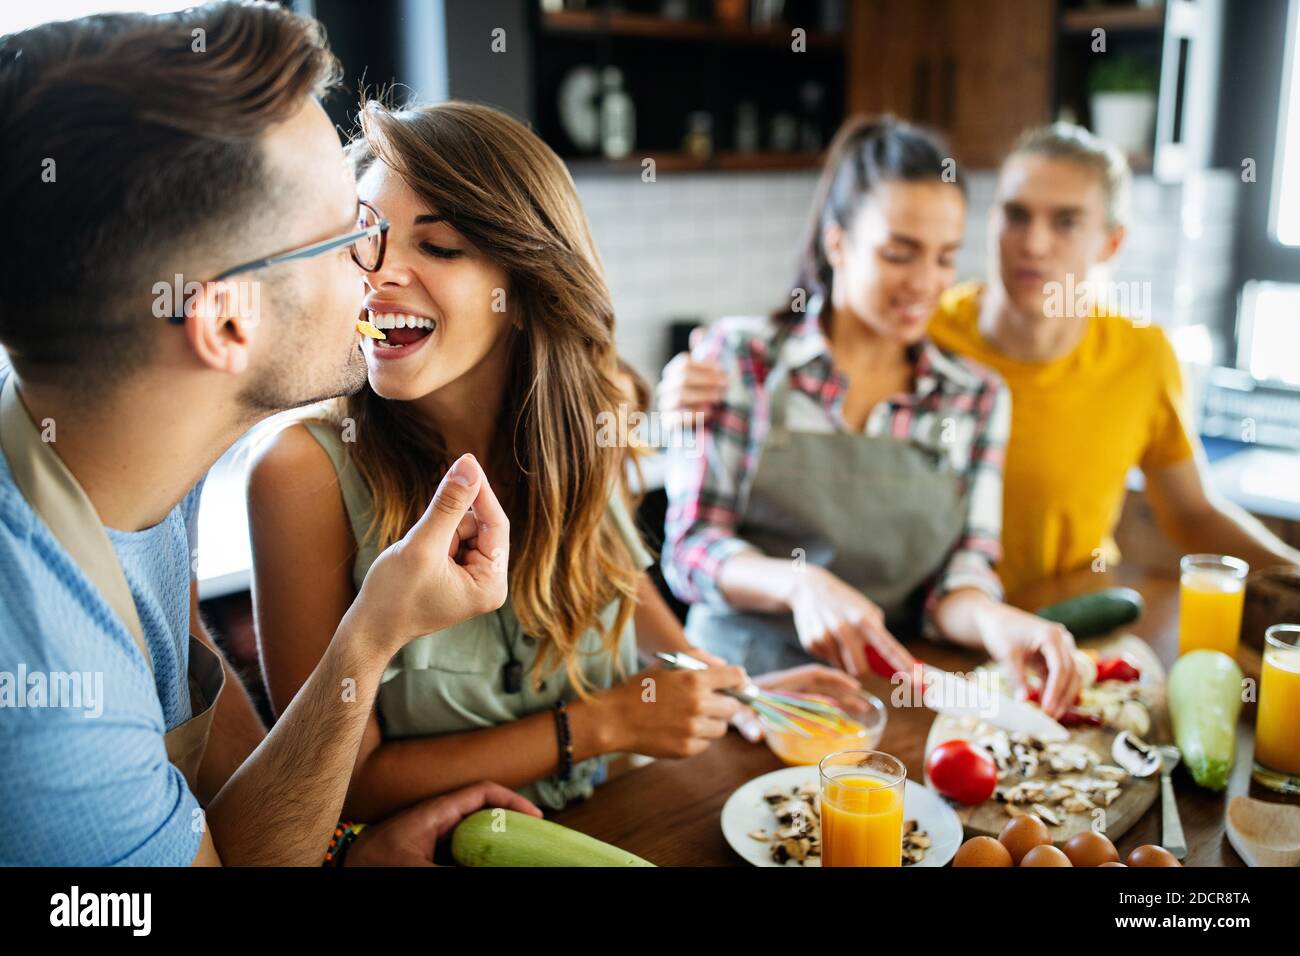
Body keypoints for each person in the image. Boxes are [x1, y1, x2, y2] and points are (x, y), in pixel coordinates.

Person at [0, 2, 536, 867]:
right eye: (346, 238)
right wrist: (371, 634)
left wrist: (338, 850)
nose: (376, 268)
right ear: (224, 325)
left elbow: (208, 766)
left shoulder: (121, 441)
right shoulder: (47, 709)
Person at [248, 101, 868, 818]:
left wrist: (740, 693)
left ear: (522, 287)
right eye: (367, 240)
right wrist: (603, 725)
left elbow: (614, 586)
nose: (377, 277)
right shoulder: (301, 473)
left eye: (439, 247)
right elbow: (338, 787)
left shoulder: (584, 421)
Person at [660, 122, 1300, 597]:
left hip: (1049, 615)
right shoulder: (920, 327)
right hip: (914, 637)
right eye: (1015, 215)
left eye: (1066, 222)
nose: (1033, 244)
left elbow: (1192, 513)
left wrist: (1292, 579)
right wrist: (673, 401)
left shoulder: (1132, 358)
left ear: (1112, 242)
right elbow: (793, 353)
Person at [660, 117, 1082, 716]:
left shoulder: (976, 397)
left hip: (882, 704)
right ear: (837, 244)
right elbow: (690, 547)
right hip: (733, 698)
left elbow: (959, 578)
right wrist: (799, 583)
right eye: (899, 254)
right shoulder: (740, 360)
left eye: (944, 258)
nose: (925, 283)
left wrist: (996, 622)